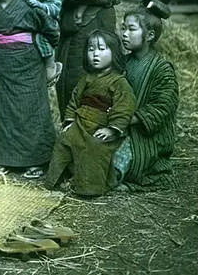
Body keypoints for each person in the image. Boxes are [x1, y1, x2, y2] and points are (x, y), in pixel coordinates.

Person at [0, 0, 57, 179]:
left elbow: (51, 31)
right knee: (4, 110)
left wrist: (48, 61)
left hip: (28, 64)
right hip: (2, 63)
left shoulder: (29, 7)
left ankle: (37, 160)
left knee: (30, 109)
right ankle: (9, 159)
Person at [45, 30, 136, 196]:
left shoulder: (119, 82)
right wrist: (70, 121)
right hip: (80, 124)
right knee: (64, 140)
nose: (95, 54)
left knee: (94, 147)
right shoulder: (85, 79)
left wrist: (112, 129)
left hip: (101, 127)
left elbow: (124, 108)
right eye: (91, 49)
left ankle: (90, 188)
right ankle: (58, 179)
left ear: (114, 52)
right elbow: (74, 101)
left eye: (101, 49)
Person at [112, 0, 179, 189]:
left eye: (131, 29)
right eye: (123, 28)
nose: (124, 34)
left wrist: (128, 119)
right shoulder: (124, 63)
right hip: (122, 127)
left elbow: (162, 107)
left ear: (149, 35)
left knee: (110, 163)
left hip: (146, 138)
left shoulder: (162, 69)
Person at [20, 0, 63, 85]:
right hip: (29, 24)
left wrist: (40, 5)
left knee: (41, 41)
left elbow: (56, 8)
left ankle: (51, 67)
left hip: (46, 26)